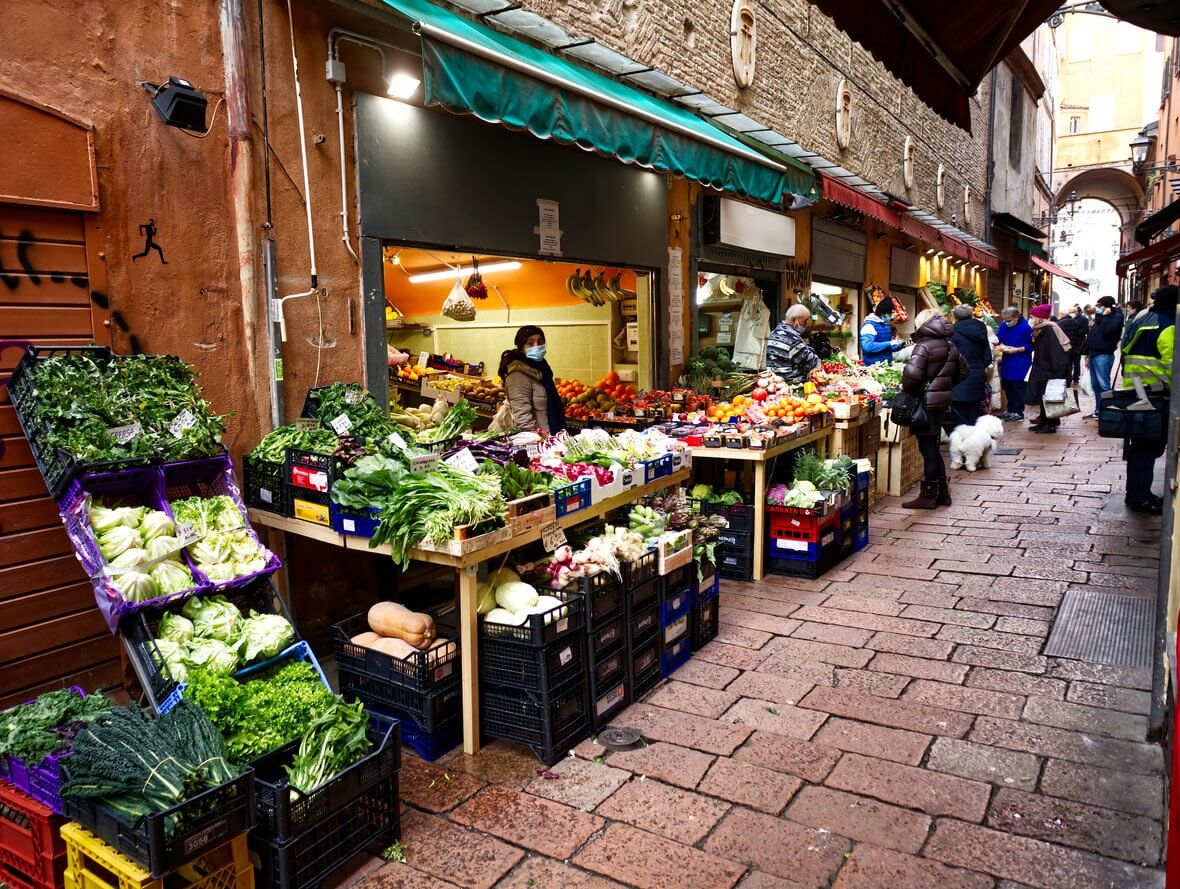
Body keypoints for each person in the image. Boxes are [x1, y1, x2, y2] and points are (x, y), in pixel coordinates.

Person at [900, 309, 968, 510]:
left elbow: (911, 374)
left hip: (926, 402)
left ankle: (928, 496)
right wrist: (943, 386)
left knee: (927, 448)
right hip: (941, 402)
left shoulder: (924, 345)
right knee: (933, 447)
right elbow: (964, 371)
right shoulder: (949, 345)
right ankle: (943, 494)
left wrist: (917, 388)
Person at [1120, 285, 1176, 514]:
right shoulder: (1168, 326)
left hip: (1136, 390)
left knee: (1140, 446)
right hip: (1157, 393)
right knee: (1149, 446)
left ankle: (1136, 493)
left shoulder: (1141, 321)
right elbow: (1173, 365)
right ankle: (1139, 497)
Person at [498, 325, 566, 434]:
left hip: (552, 434)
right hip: (538, 440)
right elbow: (523, 419)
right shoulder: (517, 376)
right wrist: (544, 439)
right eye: (530, 343)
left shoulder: (542, 370)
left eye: (540, 342)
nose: (537, 346)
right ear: (521, 347)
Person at [1024, 304, 1072, 434]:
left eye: (1032, 316)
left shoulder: (1049, 331)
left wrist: (1057, 374)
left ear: (1039, 318)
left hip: (1049, 371)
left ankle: (1049, 424)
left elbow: (1056, 354)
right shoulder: (1041, 330)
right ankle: (1044, 422)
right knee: (1042, 396)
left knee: (1049, 397)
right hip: (1043, 368)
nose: (1030, 319)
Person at [949, 304, 992, 428]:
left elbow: (951, 357)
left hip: (958, 377)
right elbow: (987, 357)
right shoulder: (981, 329)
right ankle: (973, 442)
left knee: (960, 416)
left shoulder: (953, 332)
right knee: (974, 414)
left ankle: (961, 444)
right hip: (977, 375)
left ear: (955, 316)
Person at [1085, 296, 1124, 418]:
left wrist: (1105, 316)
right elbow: (1092, 335)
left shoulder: (1116, 317)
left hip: (1104, 354)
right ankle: (1099, 410)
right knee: (1096, 385)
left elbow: (1108, 331)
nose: (1097, 308)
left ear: (1107, 306)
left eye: (1099, 306)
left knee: (1103, 385)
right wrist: (1087, 353)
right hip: (1094, 353)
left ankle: (1108, 411)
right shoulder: (1101, 318)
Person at [765, 303, 820, 384]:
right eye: (804, 321)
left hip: (774, 383)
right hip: (790, 385)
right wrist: (812, 351)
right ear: (794, 320)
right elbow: (811, 363)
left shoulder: (773, 333)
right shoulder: (793, 338)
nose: (806, 324)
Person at [995, 306, 1033, 420]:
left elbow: (1031, 346)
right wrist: (1000, 346)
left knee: (1019, 388)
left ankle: (1018, 412)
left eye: (1008, 320)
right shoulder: (1003, 325)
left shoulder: (1026, 327)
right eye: (1005, 320)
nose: (1006, 322)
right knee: (1007, 386)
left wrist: (1016, 349)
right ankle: (1010, 410)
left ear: (1016, 317)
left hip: (1021, 362)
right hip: (1007, 361)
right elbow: (998, 339)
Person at [859, 296, 904, 366]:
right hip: (873, 367)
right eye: (889, 314)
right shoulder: (868, 326)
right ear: (883, 313)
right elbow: (868, 346)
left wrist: (901, 344)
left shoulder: (886, 325)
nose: (891, 316)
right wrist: (889, 343)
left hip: (887, 366)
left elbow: (889, 348)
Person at [1056, 304, 1088, 386]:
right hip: (1076, 346)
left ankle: (1071, 379)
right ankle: (1073, 379)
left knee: (1071, 363)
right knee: (1074, 363)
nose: (1072, 313)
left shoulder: (1061, 323)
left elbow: (1084, 331)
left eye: (1073, 312)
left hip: (1070, 346)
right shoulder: (1075, 322)